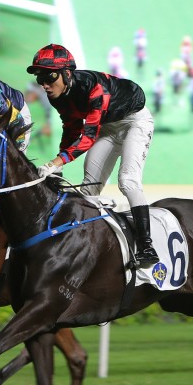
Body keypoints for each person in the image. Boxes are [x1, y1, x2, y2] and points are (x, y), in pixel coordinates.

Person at [26, 43, 159, 267]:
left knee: (128, 181)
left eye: (49, 77)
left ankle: (146, 245)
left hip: (135, 122)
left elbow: (87, 138)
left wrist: (54, 162)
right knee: (88, 189)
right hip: (108, 128)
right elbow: (71, 129)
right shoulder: (57, 95)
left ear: (67, 74)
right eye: (40, 79)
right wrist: (59, 165)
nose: (45, 85)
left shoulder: (94, 88)